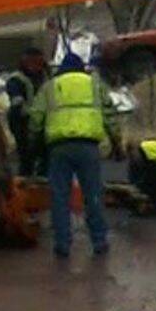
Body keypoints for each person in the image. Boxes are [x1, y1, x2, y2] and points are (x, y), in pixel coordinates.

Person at [28, 47, 120, 259]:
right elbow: (110, 114)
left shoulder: (50, 87)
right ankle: (99, 241)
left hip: (59, 148)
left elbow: (35, 118)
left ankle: (63, 244)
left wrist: (33, 143)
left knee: (60, 197)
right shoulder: (95, 85)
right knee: (93, 194)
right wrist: (117, 142)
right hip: (88, 147)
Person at [5, 46, 50, 174]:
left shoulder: (46, 78)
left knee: (46, 157)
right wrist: (34, 114)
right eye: (33, 62)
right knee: (26, 158)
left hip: (44, 123)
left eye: (39, 63)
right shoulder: (16, 79)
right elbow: (17, 104)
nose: (36, 66)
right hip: (22, 123)